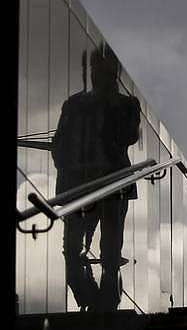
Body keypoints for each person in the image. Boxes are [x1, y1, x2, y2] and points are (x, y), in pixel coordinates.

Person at [53, 44, 141, 311]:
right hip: (79, 185)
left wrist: (112, 105)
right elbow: (60, 142)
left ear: (115, 74)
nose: (99, 76)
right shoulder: (74, 104)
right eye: (95, 70)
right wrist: (67, 171)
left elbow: (129, 136)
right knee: (72, 249)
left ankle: (107, 302)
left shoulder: (126, 104)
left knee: (110, 250)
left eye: (105, 71)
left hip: (113, 184)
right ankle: (88, 298)